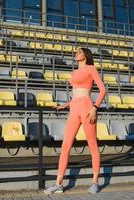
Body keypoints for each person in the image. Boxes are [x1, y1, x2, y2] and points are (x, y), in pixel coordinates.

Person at [43, 47, 107, 195]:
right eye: (76, 52)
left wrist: (95, 108)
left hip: (87, 108)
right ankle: (58, 184)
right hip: (74, 109)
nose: (75, 53)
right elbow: (76, 93)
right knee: (65, 146)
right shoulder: (74, 72)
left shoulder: (91, 68)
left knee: (92, 146)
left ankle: (95, 182)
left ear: (86, 55)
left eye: (79, 51)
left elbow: (103, 90)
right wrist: (66, 104)